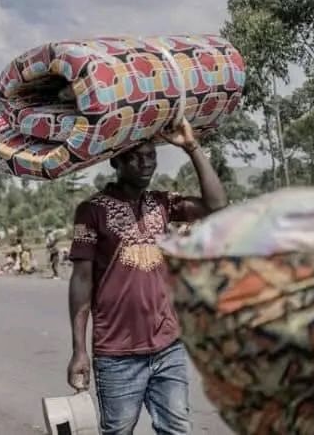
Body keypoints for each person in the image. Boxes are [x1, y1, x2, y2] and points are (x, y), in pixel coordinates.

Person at [67, 118, 228, 435]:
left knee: (177, 428)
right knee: (119, 430)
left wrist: (192, 147)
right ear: (115, 161)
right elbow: (81, 281)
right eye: (135, 157)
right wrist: (79, 350)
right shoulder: (91, 210)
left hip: (168, 346)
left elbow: (217, 205)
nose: (146, 164)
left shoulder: (163, 203)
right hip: (117, 354)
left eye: (151, 156)